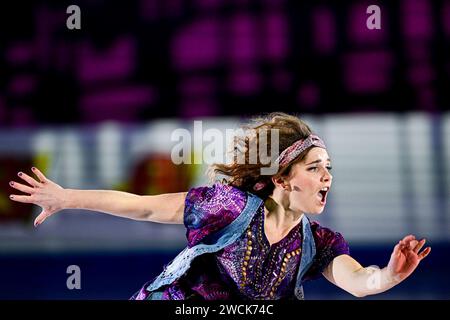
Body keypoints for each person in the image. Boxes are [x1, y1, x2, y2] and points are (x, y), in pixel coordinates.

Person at [9, 112, 431, 300]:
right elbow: (145, 208)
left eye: (329, 168)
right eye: (316, 168)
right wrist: (66, 197)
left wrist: (389, 275)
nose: (328, 177)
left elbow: (359, 282)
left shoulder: (318, 244)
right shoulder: (229, 207)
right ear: (282, 178)